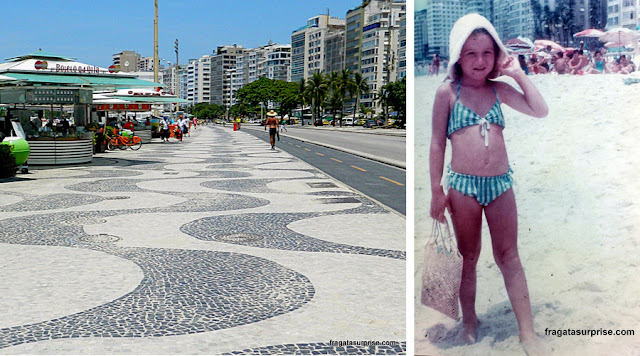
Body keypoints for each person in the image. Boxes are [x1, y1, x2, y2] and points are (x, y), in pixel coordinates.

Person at [429, 13, 549, 355]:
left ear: (496, 54)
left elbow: (540, 111)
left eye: (486, 53)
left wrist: (518, 73)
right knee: (468, 257)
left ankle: (527, 331)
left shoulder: (500, 90)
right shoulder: (447, 92)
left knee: (509, 256)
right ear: (458, 56)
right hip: (462, 187)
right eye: (471, 53)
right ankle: (469, 321)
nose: (479, 61)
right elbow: (437, 143)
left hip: (500, 185)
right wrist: (436, 189)